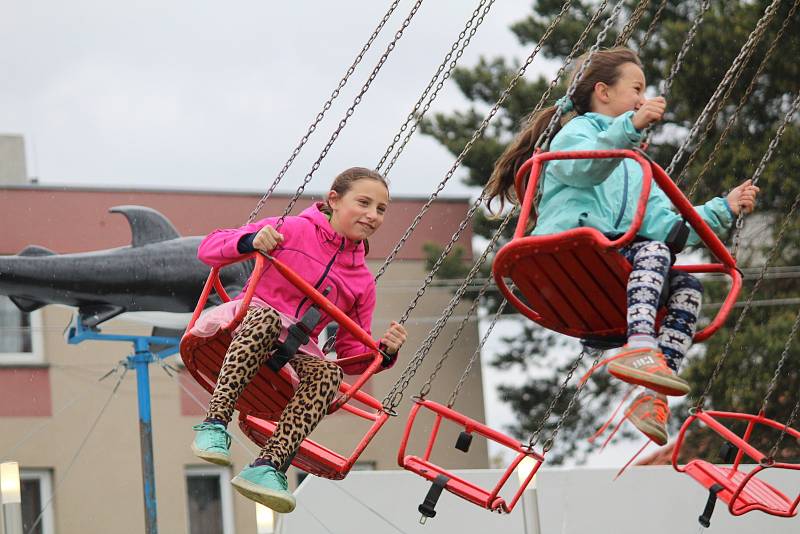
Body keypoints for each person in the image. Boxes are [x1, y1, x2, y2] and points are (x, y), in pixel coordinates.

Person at [486, 47, 759, 446]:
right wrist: (629, 127)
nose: (643, 98)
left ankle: (652, 396)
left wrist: (723, 208)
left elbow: (669, 227)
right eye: (636, 88)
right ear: (603, 92)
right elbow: (580, 168)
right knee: (653, 253)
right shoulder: (576, 132)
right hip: (570, 248)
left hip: (609, 258)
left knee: (687, 287)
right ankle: (641, 345)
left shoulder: (633, 165)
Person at [189, 167, 407, 512]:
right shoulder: (291, 229)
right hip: (248, 323)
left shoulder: (362, 281)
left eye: (380, 209)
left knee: (328, 374)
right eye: (363, 203)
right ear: (333, 200)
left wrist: (385, 352)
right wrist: (252, 241)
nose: (372, 215)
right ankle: (215, 422)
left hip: (293, 351)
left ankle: (268, 466)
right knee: (266, 318)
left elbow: (352, 353)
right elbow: (209, 248)